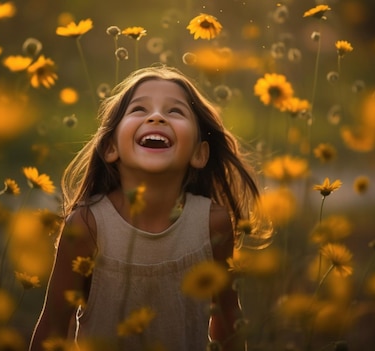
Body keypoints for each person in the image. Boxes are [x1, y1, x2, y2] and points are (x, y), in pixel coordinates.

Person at [29, 65, 260, 351]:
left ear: (199, 154)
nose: (156, 116)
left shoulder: (213, 223)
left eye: (175, 111)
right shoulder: (87, 224)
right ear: (111, 147)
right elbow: (54, 325)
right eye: (139, 109)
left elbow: (227, 320)